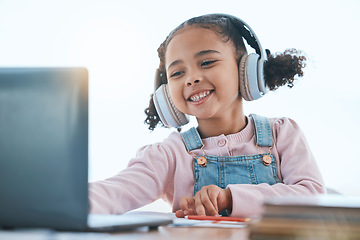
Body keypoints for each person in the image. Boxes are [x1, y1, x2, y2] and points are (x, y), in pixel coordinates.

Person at [89, 14, 325, 218]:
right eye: (177, 72)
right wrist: (62, 199)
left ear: (246, 70)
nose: (191, 78)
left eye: (207, 62)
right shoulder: (170, 154)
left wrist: (230, 198)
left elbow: (312, 196)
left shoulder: (281, 134)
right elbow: (115, 193)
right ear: (165, 94)